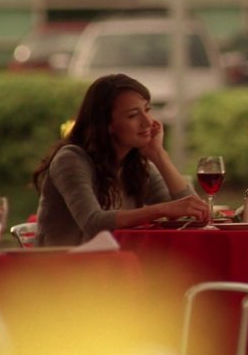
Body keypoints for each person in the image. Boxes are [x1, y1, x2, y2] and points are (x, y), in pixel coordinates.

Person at [33, 73, 209, 246]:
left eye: (147, 110)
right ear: (106, 124)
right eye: (133, 115)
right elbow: (93, 223)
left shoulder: (137, 164)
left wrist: (159, 154)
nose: (148, 122)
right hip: (61, 263)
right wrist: (164, 209)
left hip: (110, 261)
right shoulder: (70, 159)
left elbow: (193, 214)